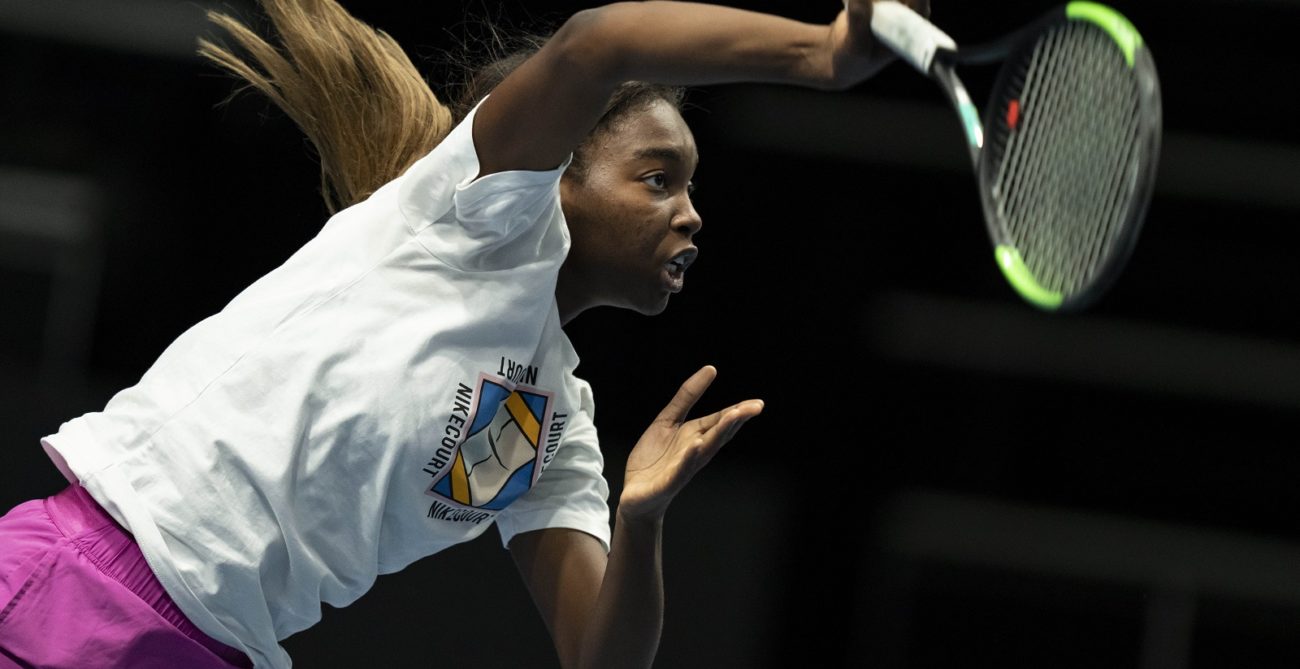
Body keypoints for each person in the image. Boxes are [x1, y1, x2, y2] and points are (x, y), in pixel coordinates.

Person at [0, 0, 924, 667]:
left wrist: (639, 523)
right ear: (557, 175)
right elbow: (597, 43)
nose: (691, 217)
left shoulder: (544, 421)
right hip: (86, 582)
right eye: (656, 178)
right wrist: (822, 55)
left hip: (216, 648)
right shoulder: (472, 221)